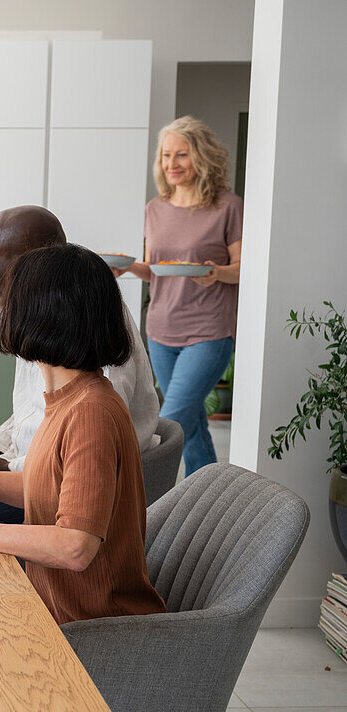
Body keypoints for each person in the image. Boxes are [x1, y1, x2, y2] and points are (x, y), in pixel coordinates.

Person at [0, 244, 167, 625]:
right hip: (57, 610)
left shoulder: (90, 413)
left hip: (95, 631)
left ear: (42, 318)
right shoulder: (70, 398)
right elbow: (43, 485)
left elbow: (75, 547)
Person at [0, 206, 160, 524]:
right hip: (31, 472)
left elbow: (87, 441)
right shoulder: (41, 310)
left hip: (66, 488)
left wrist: (6, 470)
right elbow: (35, 409)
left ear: (33, 263)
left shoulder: (88, 328)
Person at [116, 116, 242, 476]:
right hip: (160, 330)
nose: (171, 164)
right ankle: (212, 499)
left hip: (208, 331)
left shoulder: (228, 206)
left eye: (181, 155)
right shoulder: (155, 208)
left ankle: (145, 499)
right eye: (166, 155)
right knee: (193, 426)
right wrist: (129, 268)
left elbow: (242, 267)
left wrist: (217, 273)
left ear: (201, 157)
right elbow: (159, 267)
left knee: (169, 421)